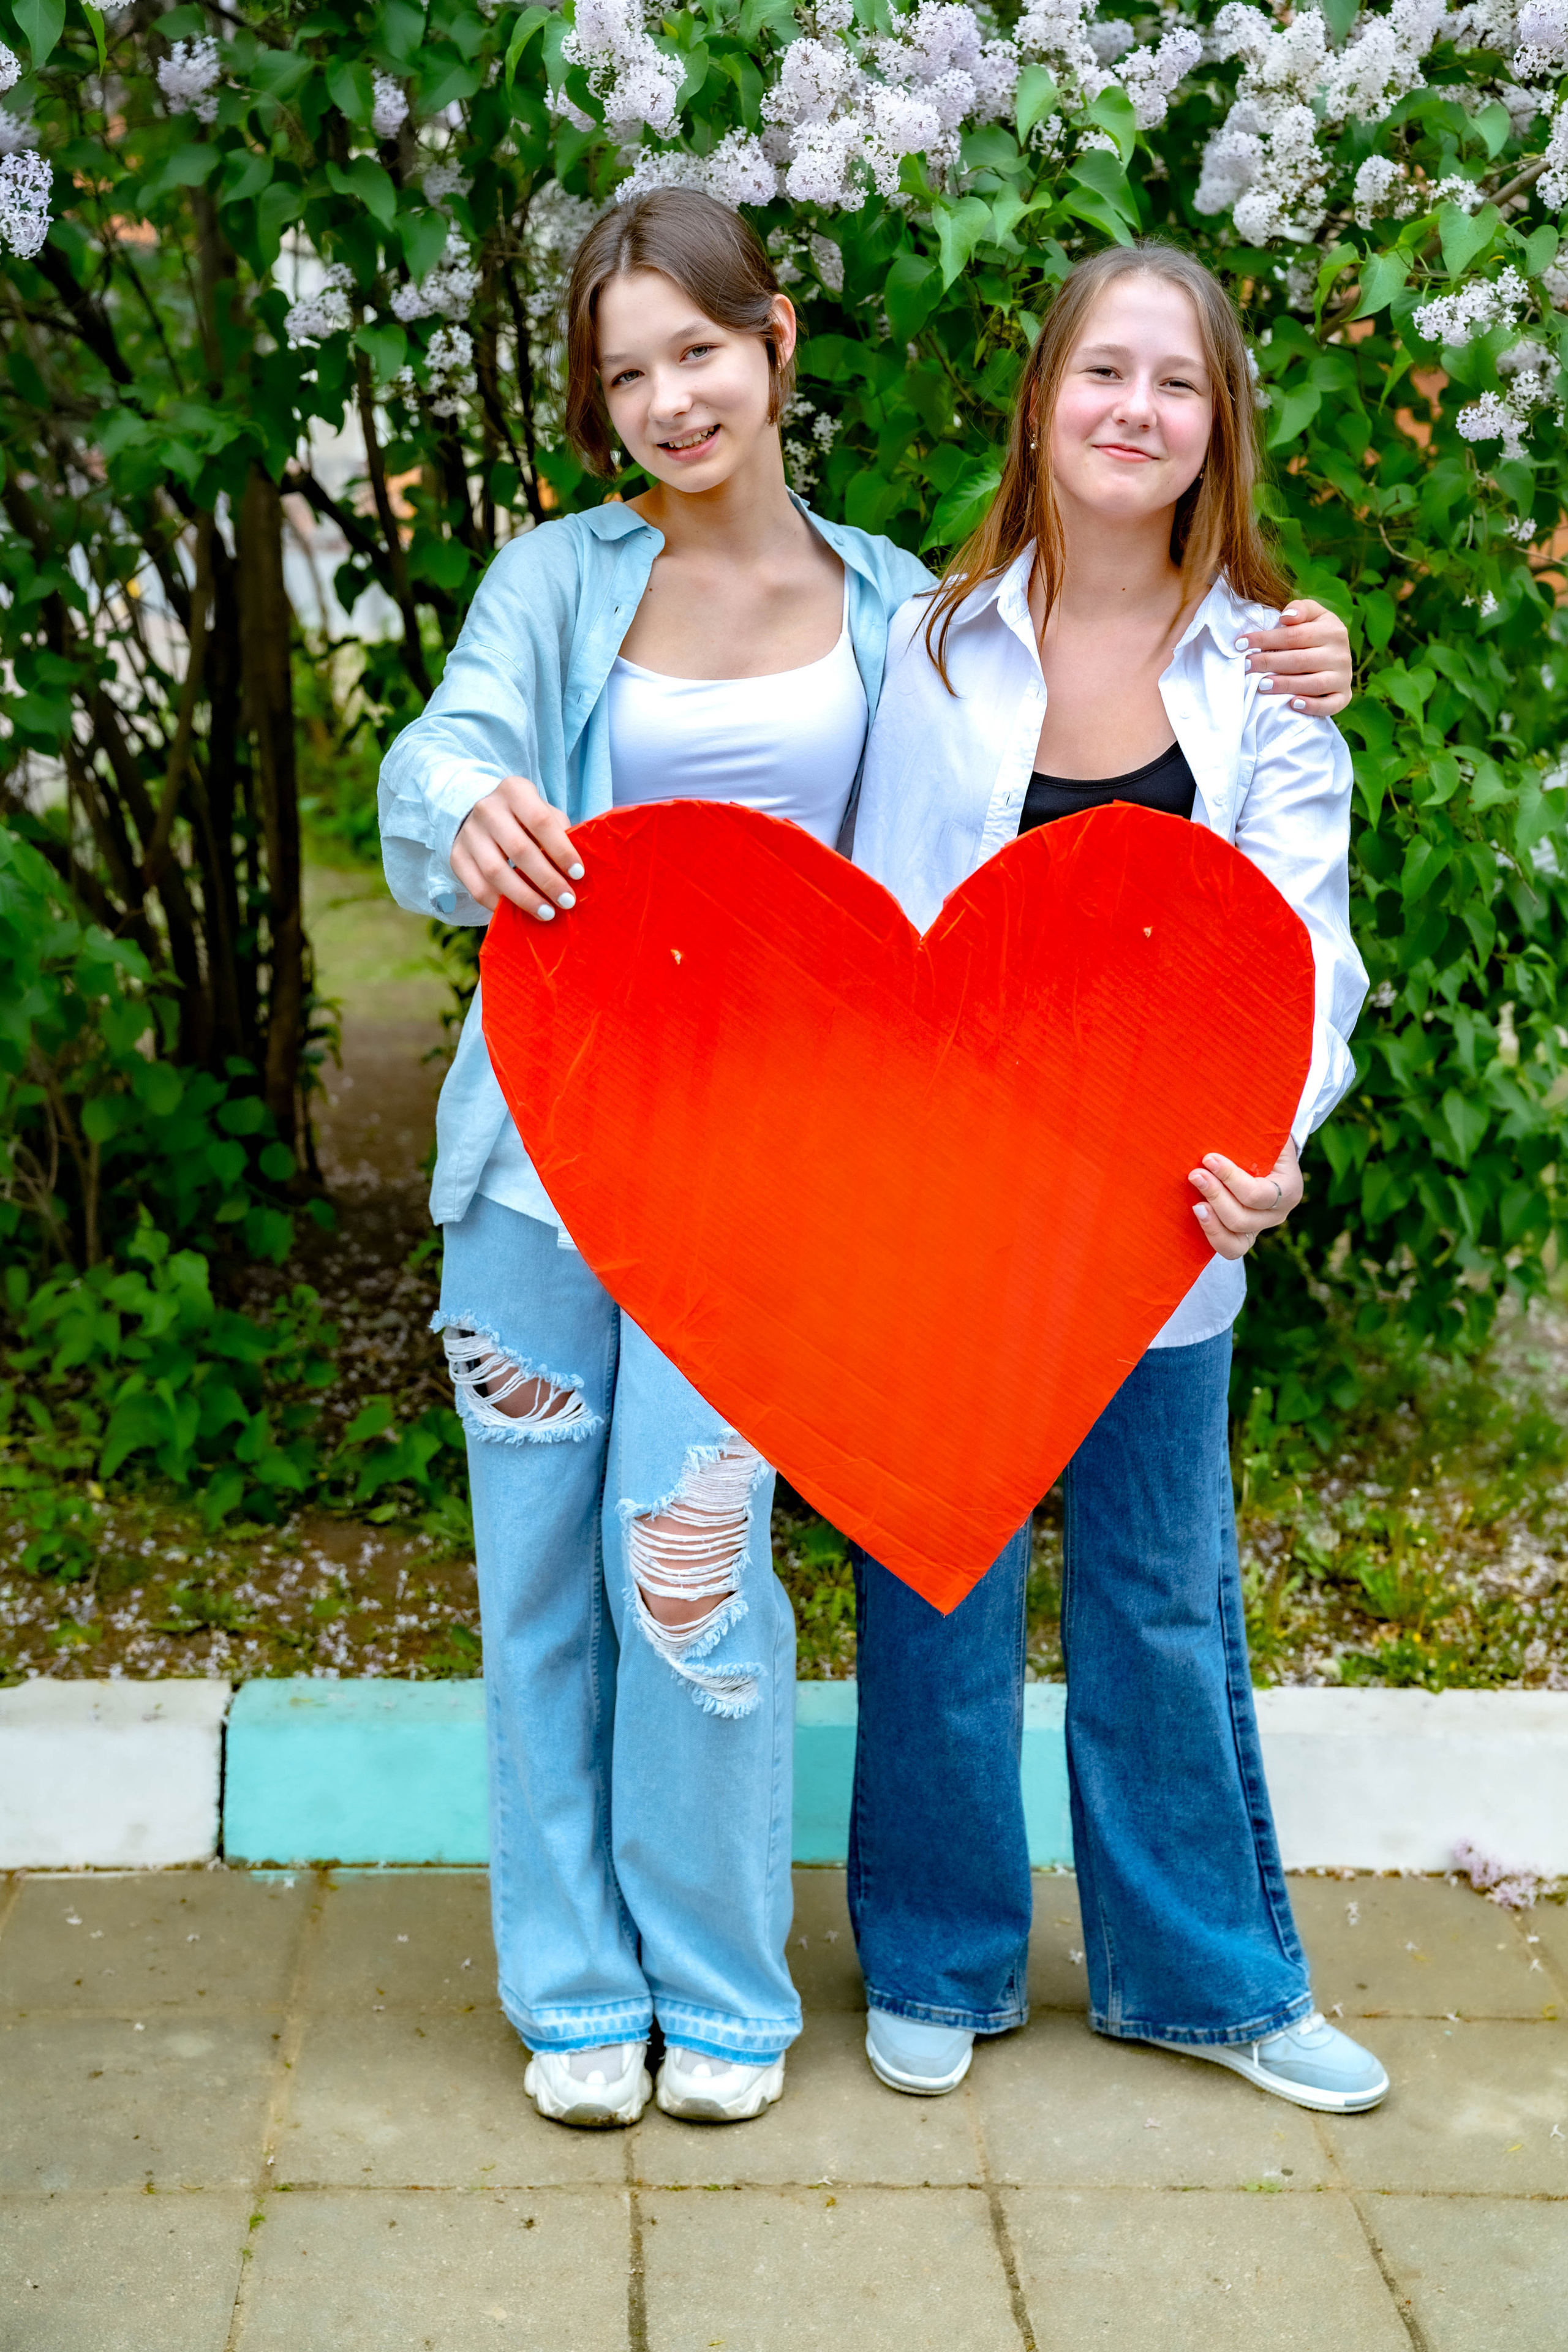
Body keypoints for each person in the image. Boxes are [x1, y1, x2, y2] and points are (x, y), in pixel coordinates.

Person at [378, 190, 1355, 2129]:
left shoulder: (901, 603)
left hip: (771, 1191)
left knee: (698, 1571)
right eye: (628, 370)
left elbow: (959, 915)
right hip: (547, 1167)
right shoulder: (556, 589)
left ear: (776, 345)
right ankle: (577, 1989)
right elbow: (443, 759)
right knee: (545, 1588)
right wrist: (470, 802)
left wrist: (1291, 647)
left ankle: (726, 1987)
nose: (670, 397)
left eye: (698, 351)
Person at [844, 239, 1384, 2116]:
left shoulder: (1271, 679)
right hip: (960, 1218)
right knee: (939, 1581)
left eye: (1176, 382)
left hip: (1168, 1220)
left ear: (1218, 426)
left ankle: (1209, 1981)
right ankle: (935, 1952)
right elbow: (886, 924)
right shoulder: (935, 645)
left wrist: (1276, 1151)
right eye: (1104, 373)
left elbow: (1305, 956)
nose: (1134, 410)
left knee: (1161, 1594)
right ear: (1043, 400)